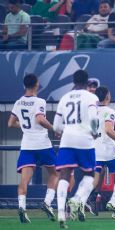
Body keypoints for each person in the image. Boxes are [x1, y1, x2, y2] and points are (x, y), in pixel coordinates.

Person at [8, 74, 58, 223]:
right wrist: (53, 128)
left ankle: (22, 207)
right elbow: (40, 119)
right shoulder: (39, 101)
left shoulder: (18, 102)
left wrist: (23, 125)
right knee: (56, 173)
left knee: (24, 180)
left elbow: (10, 123)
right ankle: (47, 203)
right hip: (42, 143)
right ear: (37, 84)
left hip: (27, 145)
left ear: (25, 85)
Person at [53, 70, 99, 228]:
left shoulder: (64, 98)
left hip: (67, 139)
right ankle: (77, 197)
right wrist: (94, 132)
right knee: (89, 174)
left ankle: (60, 213)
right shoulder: (91, 97)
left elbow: (56, 126)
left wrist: (61, 131)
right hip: (84, 139)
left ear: (73, 81)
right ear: (87, 83)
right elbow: (93, 118)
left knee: (64, 175)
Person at [92, 86, 115, 218]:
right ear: (108, 97)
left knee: (95, 180)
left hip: (94, 149)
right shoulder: (110, 111)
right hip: (108, 149)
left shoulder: (92, 111)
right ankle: (113, 201)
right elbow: (108, 129)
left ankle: (78, 200)